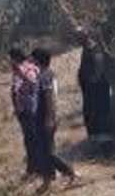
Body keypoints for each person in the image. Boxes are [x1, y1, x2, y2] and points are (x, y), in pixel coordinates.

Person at [28, 48, 78, 188]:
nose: (30, 61)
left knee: (47, 152)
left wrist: (49, 118)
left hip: (45, 117)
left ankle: (69, 171)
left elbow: (49, 98)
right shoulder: (44, 74)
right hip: (42, 116)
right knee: (43, 151)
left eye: (32, 58)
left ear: (37, 59)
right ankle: (47, 180)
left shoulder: (45, 76)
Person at [75, 27, 115, 150]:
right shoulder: (86, 48)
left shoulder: (94, 48)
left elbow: (99, 63)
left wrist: (94, 79)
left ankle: (105, 144)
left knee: (99, 114)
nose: (77, 39)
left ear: (86, 36)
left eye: (79, 36)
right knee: (92, 113)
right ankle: (96, 142)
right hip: (90, 89)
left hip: (97, 89)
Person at [6, 46, 41, 178]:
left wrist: (20, 73)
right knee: (28, 140)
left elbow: (33, 83)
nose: (8, 61)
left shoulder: (28, 68)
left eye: (9, 58)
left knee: (33, 140)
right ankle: (32, 169)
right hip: (23, 111)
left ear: (15, 58)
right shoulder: (17, 70)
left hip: (30, 110)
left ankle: (37, 169)